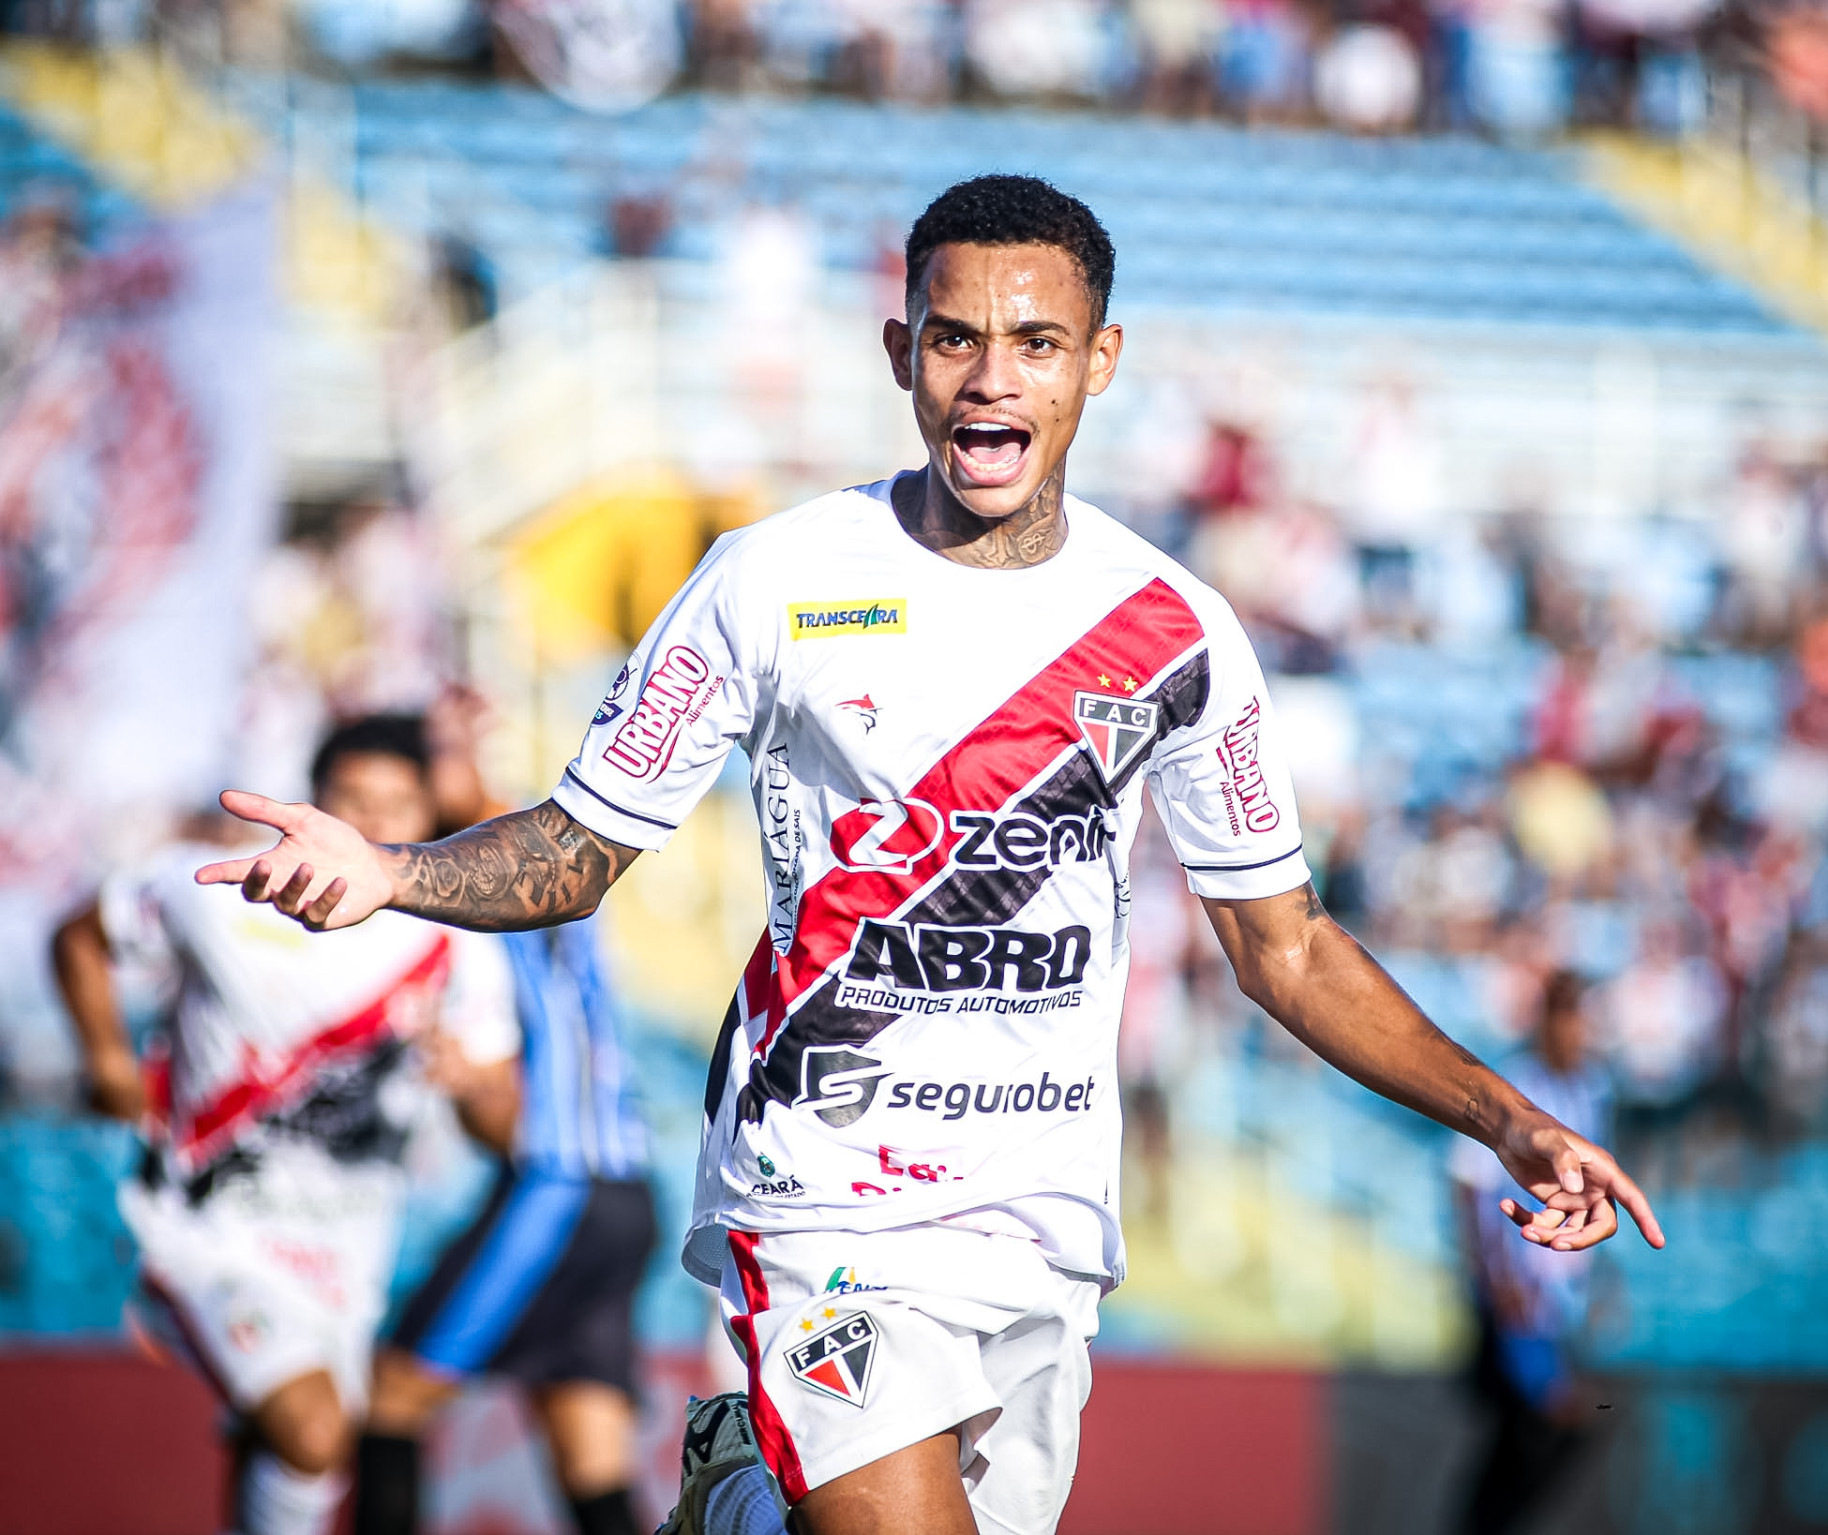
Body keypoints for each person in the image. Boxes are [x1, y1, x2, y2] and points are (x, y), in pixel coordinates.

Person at [197, 175, 1665, 1535]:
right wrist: (397, 869)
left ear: (1100, 361)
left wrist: (1505, 1117)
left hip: (1039, 1216)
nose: (990, 377)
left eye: (1036, 342)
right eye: (955, 338)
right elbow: (582, 847)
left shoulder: (1176, 630)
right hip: (824, 1186)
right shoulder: (774, 582)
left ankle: (740, 1507)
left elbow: (1283, 947)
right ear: (902, 348)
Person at [53, 715, 522, 1535]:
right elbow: (80, 934)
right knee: (314, 1432)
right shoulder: (222, 891)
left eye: (397, 804)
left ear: (425, 818)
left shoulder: (456, 944)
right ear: (314, 805)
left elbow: (502, 1125)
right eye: (353, 799)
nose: (374, 823)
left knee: (286, 1445)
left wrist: (471, 1086)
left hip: (347, 1254)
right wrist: (107, 1059)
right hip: (203, 1228)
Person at [354, 917, 658, 1535]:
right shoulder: (571, 887)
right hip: (627, 1194)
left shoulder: (479, 905)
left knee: (393, 1396)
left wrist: (470, 1086)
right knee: (589, 1451)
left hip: (558, 1188)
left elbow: (507, 1111)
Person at [1449, 970, 1612, 1535]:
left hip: (1559, 1294)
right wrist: (1492, 1276)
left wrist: (1605, 1279)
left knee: (1529, 1433)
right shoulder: (1516, 1086)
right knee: (1555, 1419)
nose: (1576, 1032)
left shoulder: (1593, 1090)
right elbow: (1468, 1183)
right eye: (1567, 1018)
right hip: (1519, 1291)